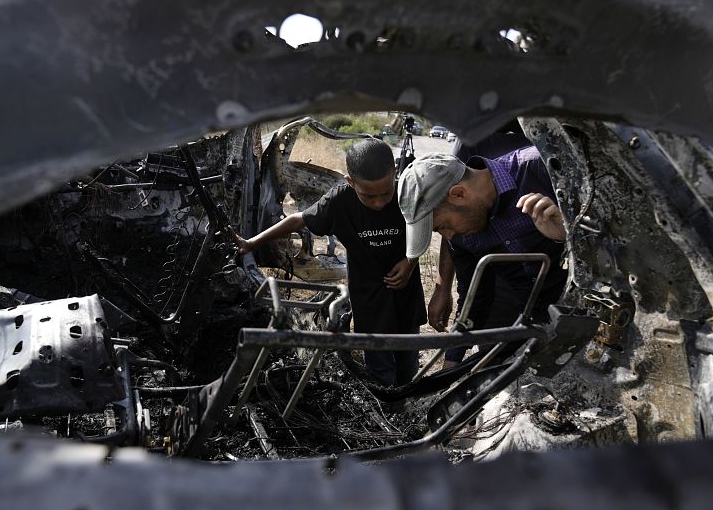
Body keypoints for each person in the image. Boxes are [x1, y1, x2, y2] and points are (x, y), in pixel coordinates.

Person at [234, 138, 426, 387]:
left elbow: (429, 226)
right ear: (350, 182)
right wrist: (251, 243)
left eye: (386, 193)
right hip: (368, 297)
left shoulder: (406, 193)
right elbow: (297, 221)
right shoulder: (339, 201)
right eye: (369, 196)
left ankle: (406, 407)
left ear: (395, 175)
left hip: (406, 294)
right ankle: (389, 415)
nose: (379, 202)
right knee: (381, 371)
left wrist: (410, 261)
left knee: (408, 365)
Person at [397, 148, 567, 368]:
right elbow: (473, 293)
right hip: (535, 318)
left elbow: (620, 243)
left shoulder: (545, 166)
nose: (448, 237)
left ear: (459, 194)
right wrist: (452, 359)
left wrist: (567, 233)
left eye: (444, 226)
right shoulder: (461, 236)